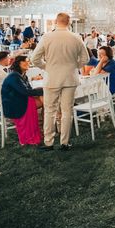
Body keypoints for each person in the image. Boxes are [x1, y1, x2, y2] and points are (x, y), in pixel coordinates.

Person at [32, 12, 89, 151]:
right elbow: (85, 59)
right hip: (70, 78)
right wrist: (74, 66)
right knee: (67, 111)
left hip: (52, 78)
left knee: (50, 110)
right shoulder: (76, 37)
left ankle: (49, 142)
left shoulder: (47, 37)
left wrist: (47, 67)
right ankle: (64, 142)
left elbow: (34, 59)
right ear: (69, 22)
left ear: (56, 21)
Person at [1, 55, 44, 146]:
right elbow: (25, 92)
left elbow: (29, 90)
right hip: (15, 104)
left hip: (20, 100)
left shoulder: (22, 75)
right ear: (18, 63)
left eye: (28, 61)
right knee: (45, 100)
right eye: (25, 61)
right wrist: (44, 89)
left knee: (45, 100)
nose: (28, 63)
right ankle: (34, 135)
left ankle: (45, 128)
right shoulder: (14, 76)